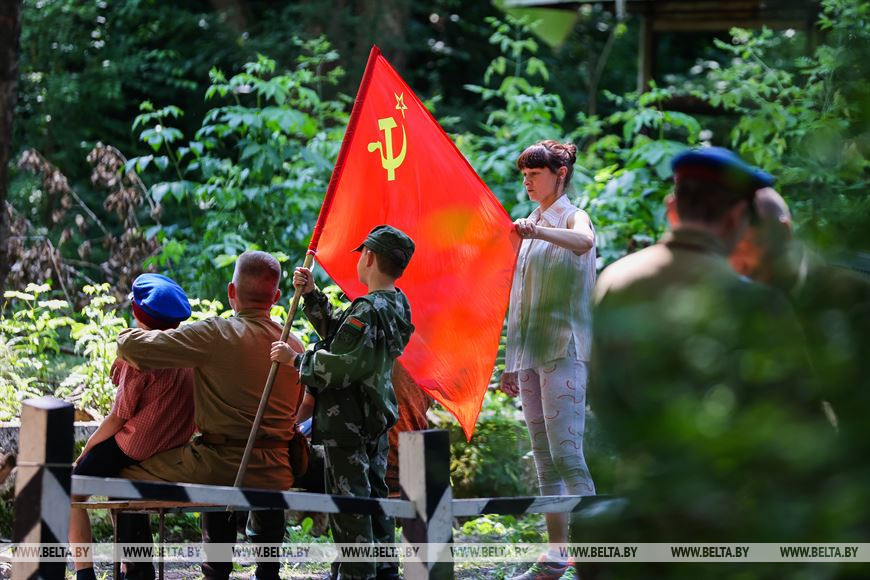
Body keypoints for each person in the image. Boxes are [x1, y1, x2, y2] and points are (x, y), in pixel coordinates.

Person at [589, 147, 834, 576]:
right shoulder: (753, 301)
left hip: (643, 511)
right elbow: (803, 424)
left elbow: (599, 396)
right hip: (728, 523)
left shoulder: (615, 281)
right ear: (737, 217)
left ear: (672, 208)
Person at [116, 251, 304, 580]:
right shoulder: (294, 346)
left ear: (232, 292)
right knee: (228, 468)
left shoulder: (216, 334)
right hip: (277, 468)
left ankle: (141, 573)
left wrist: (128, 332)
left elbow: (133, 347)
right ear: (275, 297)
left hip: (219, 464)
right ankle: (268, 570)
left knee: (123, 474)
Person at [270, 224, 415, 580]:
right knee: (376, 500)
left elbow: (342, 365)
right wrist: (312, 296)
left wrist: (295, 360)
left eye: (361, 254)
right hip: (375, 416)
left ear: (369, 257)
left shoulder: (368, 308)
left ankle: (357, 573)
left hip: (348, 422)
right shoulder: (396, 304)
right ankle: (384, 571)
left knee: (351, 507)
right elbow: (344, 340)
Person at [730, 188, 870, 541]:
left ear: (783, 230)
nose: (738, 257)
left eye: (748, 241)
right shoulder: (738, 304)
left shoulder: (849, 293)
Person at [498, 140, 596, 580]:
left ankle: (595, 561)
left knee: (567, 456)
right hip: (531, 354)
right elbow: (520, 300)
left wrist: (537, 233)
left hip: (564, 349)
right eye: (524, 174)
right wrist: (511, 361)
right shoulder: (530, 225)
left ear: (560, 174)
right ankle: (556, 557)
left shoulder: (572, 216)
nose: (527, 181)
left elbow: (585, 241)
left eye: (534, 173)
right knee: (543, 459)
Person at [70, 274, 195, 580]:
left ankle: (84, 573)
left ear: (137, 314)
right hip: (173, 447)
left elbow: (118, 418)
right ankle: (134, 568)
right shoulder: (191, 351)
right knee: (124, 490)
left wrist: (87, 450)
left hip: (134, 445)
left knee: (70, 491)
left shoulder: (139, 358)